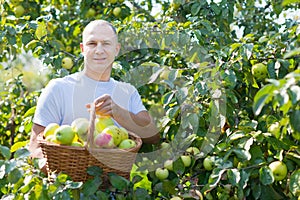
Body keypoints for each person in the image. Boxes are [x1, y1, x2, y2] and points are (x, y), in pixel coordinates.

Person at [28, 19, 160, 158]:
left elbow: (152, 136)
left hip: (115, 179)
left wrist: (119, 113)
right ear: (83, 49)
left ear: (116, 49)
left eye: (106, 43)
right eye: (92, 43)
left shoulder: (128, 91)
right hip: (67, 177)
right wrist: (62, 169)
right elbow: (34, 148)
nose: (99, 50)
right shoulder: (59, 88)